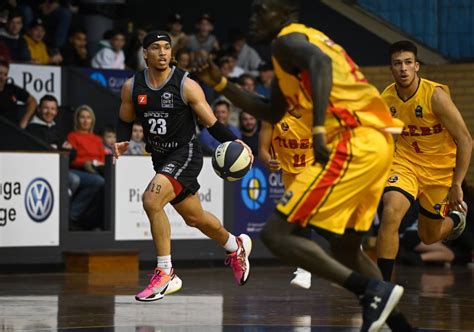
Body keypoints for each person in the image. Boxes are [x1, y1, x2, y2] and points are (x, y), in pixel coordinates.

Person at [192, 1, 414, 330]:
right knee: (346, 248)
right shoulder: (289, 54)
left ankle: (371, 289)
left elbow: (320, 63)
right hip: (375, 141)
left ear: (284, 12)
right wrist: (221, 84)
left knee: (278, 234)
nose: (254, 17)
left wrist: (320, 128)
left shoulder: (288, 39)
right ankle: (404, 327)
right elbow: (271, 111)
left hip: (354, 139)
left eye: (262, 9)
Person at [113, 31, 253, 302]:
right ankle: (234, 245)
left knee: (151, 200)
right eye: (156, 48)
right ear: (145, 54)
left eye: (167, 47)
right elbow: (125, 118)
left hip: (186, 153)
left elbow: (212, 123)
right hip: (161, 157)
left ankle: (166, 272)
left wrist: (236, 141)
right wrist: (122, 140)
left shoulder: (186, 84)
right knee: (195, 218)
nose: (163, 52)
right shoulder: (132, 86)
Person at [376, 41, 472, 282]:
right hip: (406, 164)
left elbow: (466, 140)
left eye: (408, 63)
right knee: (390, 213)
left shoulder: (435, 96)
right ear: (391, 69)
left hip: (439, 172)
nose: (403, 69)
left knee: (429, 236)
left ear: (417, 66)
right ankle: (382, 289)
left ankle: (456, 220)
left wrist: (457, 184)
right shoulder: (386, 99)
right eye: (397, 64)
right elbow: (382, 140)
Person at [258, 109, 314, 289]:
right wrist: (269, 162)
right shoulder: (273, 114)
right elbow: (262, 150)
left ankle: (305, 269)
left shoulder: (316, 111)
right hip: (289, 174)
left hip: (316, 169)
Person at [26, 94, 80, 197]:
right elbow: (43, 154)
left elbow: (73, 154)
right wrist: (60, 149)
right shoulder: (32, 129)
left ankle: (69, 211)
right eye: (46, 108)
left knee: (95, 181)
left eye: (52, 109)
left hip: (60, 168)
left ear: (56, 111)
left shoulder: (56, 128)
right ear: (38, 109)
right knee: (74, 179)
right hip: (41, 171)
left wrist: (57, 149)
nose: (49, 112)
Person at [66, 105, 105, 229]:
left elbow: (102, 159)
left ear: (92, 120)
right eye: (82, 117)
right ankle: (72, 215)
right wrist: (86, 162)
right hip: (77, 170)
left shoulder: (98, 139)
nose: (85, 120)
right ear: (77, 119)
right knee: (98, 181)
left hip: (95, 170)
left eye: (88, 117)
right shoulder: (72, 136)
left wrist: (94, 164)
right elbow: (72, 159)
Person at [0, 59, 37, 128]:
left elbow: (33, 101)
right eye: (0, 73)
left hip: (13, 130)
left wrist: (25, 120)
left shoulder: (12, 88)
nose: (2, 77)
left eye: (5, 74)